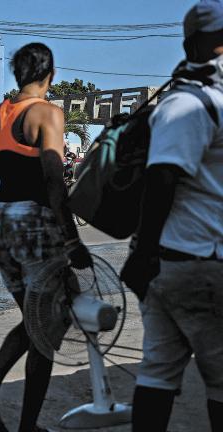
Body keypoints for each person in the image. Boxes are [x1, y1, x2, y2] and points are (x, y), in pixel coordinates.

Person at [0, 43, 92, 432]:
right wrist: (72, 240)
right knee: (48, 325)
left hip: (0, 222)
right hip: (34, 223)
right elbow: (55, 181)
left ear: (17, 75)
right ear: (49, 75)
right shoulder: (48, 113)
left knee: (37, 319)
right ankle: (14, 414)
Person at [120, 2, 223, 430]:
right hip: (197, 260)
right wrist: (142, 254)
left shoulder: (182, 98)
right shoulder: (194, 103)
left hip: (167, 267)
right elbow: (162, 178)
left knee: (157, 373)